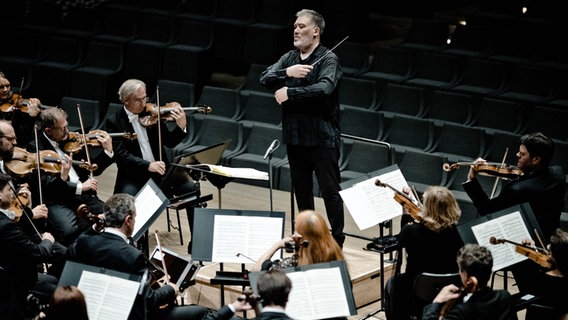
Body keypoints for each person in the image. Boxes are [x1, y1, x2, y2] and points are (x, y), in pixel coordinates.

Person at [259, 9, 345, 248]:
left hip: (322, 138)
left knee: (330, 191)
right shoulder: (289, 58)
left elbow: (324, 89)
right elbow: (264, 77)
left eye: (302, 26)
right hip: (296, 137)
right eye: (295, 26)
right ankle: (308, 236)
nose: (296, 30)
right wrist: (288, 72)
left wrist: (290, 92)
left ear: (315, 32)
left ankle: (337, 239)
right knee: (302, 190)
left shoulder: (329, 59)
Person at [66, 193, 210, 320]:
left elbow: (72, 249)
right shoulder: (132, 256)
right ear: (128, 220)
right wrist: (170, 289)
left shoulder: (85, 242)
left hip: (93, 310)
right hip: (128, 314)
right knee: (201, 312)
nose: (135, 221)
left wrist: (94, 228)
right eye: (134, 218)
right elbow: (149, 300)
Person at [28, 107, 115, 246]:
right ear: (48, 131)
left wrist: (108, 151)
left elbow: (92, 168)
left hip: (82, 193)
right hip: (57, 199)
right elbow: (48, 187)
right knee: (68, 230)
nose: (67, 132)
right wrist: (79, 186)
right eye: (62, 129)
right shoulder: (36, 149)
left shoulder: (70, 141)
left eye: (67, 126)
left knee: (110, 216)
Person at [463, 132, 565, 241]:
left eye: (522, 154)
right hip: (552, 238)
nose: (517, 155)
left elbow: (486, 209)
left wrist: (471, 178)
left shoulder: (517, 190)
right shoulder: (558, 173)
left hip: (526, 240)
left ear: (536, 159)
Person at [385, 186, 464, 320]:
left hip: (418, 286)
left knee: (392, 283)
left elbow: (402, 239)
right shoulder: (458, 231)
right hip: (451, 283)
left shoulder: (411, 231)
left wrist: (406, 210)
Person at [105, 78, 192, 196]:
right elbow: (122, 157)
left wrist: (181, 127)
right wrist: (149, 165)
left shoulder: (153, 114)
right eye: (138, 100)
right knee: (128, 200)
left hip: (161, 171)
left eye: (145, 98)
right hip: (133, 175)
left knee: (191, 188)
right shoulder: (114, 122)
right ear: (126, 100)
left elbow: (170, 142)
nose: (143, 103)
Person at [0, 173, 59, 320]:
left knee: (53, 280)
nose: (14, 193)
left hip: (10, 271)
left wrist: (29, 209)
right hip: (16, 284)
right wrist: (47, 240)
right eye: (9, 189)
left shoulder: (6, 219)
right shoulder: (5, 226)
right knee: (60, 294)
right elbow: (39, 254)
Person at [421, 243, 515, 320]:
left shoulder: (461, 312)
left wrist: (437, 301)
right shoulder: (505, 297)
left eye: (460, 269)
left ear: (467, 277)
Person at [252, 210, 345, 272]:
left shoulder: (291, 264)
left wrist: (277, 245)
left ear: (302, 238)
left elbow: (256, 270)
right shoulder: (337, 259)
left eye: (296, 231)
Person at [523, 228, 568, 320]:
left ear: (555, 257)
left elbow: (527, 283)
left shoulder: (542, 278)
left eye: (550, 251)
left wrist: (531, 251)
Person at [0, 71, 43, 147]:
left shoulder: (15, 100)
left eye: (7, 86)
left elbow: (25, 135)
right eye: (1, 87)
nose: (5, 90)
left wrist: (34, 115)